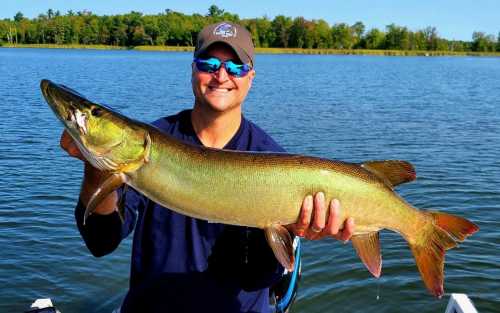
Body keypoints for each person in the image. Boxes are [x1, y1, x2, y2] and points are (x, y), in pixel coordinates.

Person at [61, 22, 355, 313]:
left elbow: (258, 278)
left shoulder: (270, 156)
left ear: (250, 77)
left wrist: (294, 228)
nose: (221, 75)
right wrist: (96, 169)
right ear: (193, 69)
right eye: (208, 63)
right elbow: (101, 241)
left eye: (236, 66)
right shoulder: (149, 144)